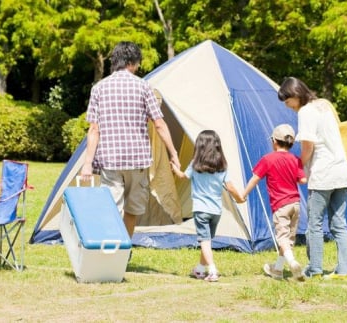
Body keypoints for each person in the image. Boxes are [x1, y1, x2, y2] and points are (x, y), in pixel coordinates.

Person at [80, 41, 181, 243]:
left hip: (110, 159)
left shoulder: (99, 88)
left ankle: (112, 251)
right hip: (138, 160)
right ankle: (124, 246)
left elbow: (94, 129)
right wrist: (173, 153)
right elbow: (159, 124)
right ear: (133, 63)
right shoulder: (144, 87)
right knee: (132, 209)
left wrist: (87, 164)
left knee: (112, 208)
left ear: (115, 62)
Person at [277, 76, 347, 280]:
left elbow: (308, 146)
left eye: (288, 102)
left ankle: (314, 268)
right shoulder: (322, 105)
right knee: (338, 222)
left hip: (323, 174)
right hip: (341, 171)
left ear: (295, 95)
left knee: (314, 223)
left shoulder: (305, 111)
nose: (288, 106)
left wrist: (298, 167)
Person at [170, 130, 245, 282]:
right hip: (216, 211)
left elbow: (183, 176)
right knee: (207, 240)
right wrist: (239, 199)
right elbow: (230, 187)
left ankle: (212, 269)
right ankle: (200, 268)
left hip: (200, 209)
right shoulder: (222, 166)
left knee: (204, 241)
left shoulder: (195, 165)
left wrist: (175, 169)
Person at [242, 124, 307, 282]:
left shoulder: (268, 159)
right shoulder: (295, 159)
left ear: (274, 141)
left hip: (281, 205)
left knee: (282, 238)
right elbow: (303, 180)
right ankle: (277, 269)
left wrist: (243, 195)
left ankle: (292, 263)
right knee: (289, 239)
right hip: (296, 205)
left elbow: (255, 179)